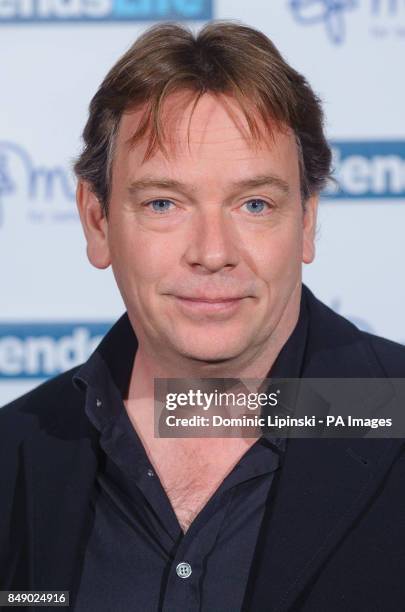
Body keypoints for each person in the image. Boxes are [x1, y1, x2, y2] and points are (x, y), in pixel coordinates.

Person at [1, 21, 405, 612]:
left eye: (255, 204)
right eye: (164, 203)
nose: (213, 252)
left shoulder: (392, 413)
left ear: (308, 220)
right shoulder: (13, 455)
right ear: (97, 221)